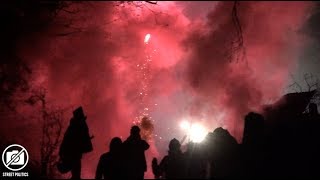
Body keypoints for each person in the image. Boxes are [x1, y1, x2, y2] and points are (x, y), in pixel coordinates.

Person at [58, 106, 93, 179]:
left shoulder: (72, 126)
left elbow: (66, 140)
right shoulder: (79, 126)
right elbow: (86, 145)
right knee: (76, 175)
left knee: (75, 175)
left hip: (71, 155)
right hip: (73, 155)